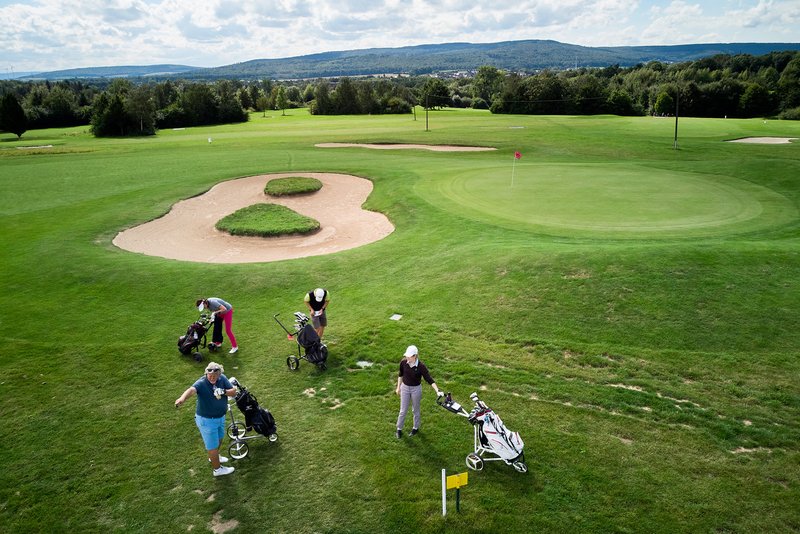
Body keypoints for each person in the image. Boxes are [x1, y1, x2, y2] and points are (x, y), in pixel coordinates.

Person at [175, 361, 237, 477]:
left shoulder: (222, 378)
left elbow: (233, 391)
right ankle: (217, 470)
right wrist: (182, 398)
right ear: (206, 374)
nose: (212, 378)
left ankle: (214, 457)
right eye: (210, 376)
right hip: (207, 421)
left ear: (219, 374)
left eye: (215, 376)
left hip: (220, 417)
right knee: (212, 446)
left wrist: (223, 391)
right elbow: (191, 390)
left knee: (219, 439)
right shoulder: (202, 383)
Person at [395, 345, 443, 438]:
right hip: (405, 388)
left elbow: (429, 379)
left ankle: (415, 428)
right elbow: (400, 375)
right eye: (406, 356)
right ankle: (399, 429)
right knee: (403, 410)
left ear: (415, 356)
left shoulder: (421, 366)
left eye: (409, 356)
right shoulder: (403, 362)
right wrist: (398, 387)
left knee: (415, 410)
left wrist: (437, 390)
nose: (407, 358)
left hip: (416, 389)